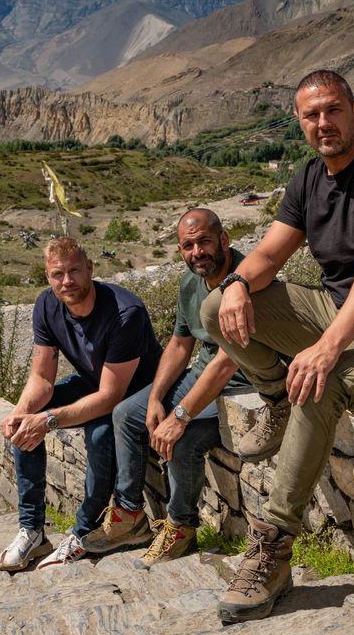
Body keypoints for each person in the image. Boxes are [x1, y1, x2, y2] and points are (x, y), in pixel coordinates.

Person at [201, 69, 354, 623]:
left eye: (333, 110)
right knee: (213, 308)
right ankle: (274, 394)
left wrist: (326, 348)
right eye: (311, 115)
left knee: (324, 380)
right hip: (343, 315)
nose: (324, 124)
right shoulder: (308, 179)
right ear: (299, 121)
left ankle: (272, 545)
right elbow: (268, 255)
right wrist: (238, 285)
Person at [82, 208, 247, 568]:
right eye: (188, 246)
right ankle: (129, 515)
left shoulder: (244, 280)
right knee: (127, 413)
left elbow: (228, 361)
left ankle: (181, 529)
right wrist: (157, 398)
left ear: (224, 239)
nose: (197, 252)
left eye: (204, 241)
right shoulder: (191, 282)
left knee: (182, 440)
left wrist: (180, 415)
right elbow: (178, 344)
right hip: (201, 375)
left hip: (239, 383)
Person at [0, 237, 162, 571]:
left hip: (135, 390)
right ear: (47, 276)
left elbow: (111, 397)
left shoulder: (123, 312)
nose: (67, 281)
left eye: (74, 271)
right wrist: (21, 411)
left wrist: (50, 420)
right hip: (94, 381)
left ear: (90, 268)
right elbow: (42, 377)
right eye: (58, 274)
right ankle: (32, 530)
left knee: (101, 435)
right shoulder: (46, 305)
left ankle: (85, 532)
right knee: (24, 421)